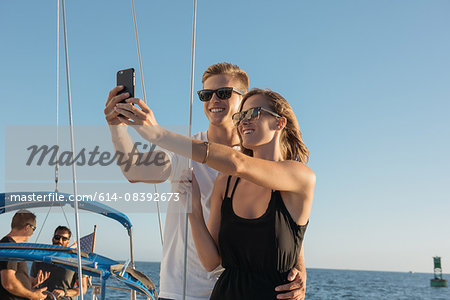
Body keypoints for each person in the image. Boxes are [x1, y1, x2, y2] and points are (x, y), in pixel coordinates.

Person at [105, 62, 307, 300]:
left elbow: (285, 225)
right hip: (181, 290)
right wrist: (116, 127)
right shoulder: (183, 150)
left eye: (223, 93)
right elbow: (135, 171)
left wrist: (299, 270)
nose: (214, 101)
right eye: (206, 95)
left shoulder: (257, 165)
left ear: (245, 101)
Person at [0, 210, 48, 300]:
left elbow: (13, 279)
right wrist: (33, 295)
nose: (33, 232)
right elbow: (9, 283)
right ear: (27, 227)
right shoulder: (9, 246)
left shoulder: (9, 245)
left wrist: (32, 283)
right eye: (34, 229)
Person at [30, 226, 87, 300]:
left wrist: (64, 292)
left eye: (64, 239)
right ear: (53, 238)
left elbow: (83, 288)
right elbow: (30, 285)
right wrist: (35, 288)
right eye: (57, 237)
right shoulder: (40, 260)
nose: (59, 241)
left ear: (68, 242)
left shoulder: (76, 261)